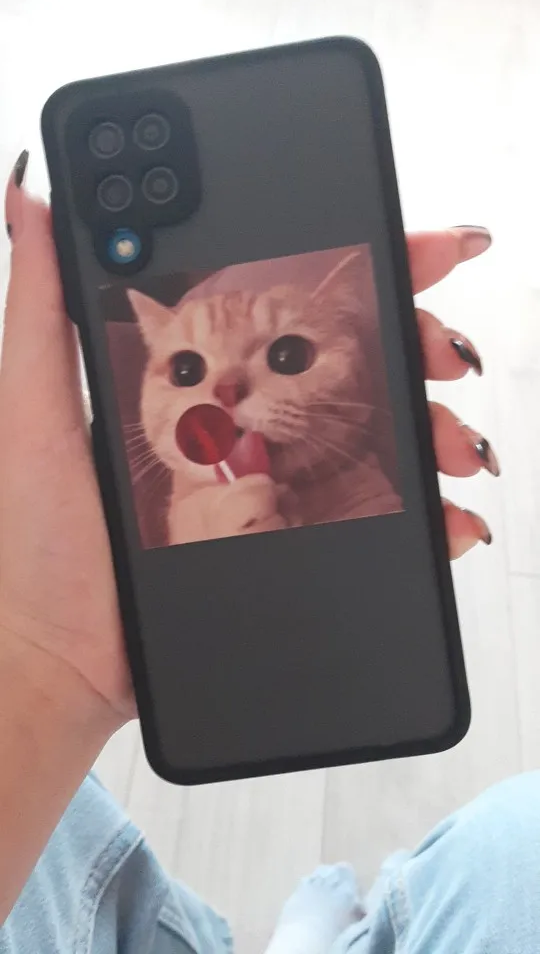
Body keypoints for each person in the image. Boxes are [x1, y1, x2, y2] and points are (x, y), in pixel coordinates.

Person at [0, 150, 524, 954]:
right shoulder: (155, 516)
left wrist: (39, 669)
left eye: (286, 355)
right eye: (185, 369)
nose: (224, 395)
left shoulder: (368, 487)